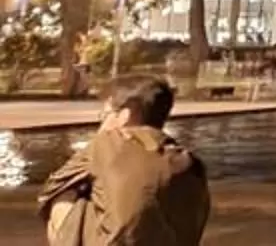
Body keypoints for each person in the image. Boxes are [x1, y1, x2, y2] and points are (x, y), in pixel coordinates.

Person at [36, 75, 212, 246]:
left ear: (124, 116)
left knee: (64, 194)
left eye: (105, 115)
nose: (102, 123)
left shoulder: (106, 143)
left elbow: (53, 185)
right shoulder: (189, 159)